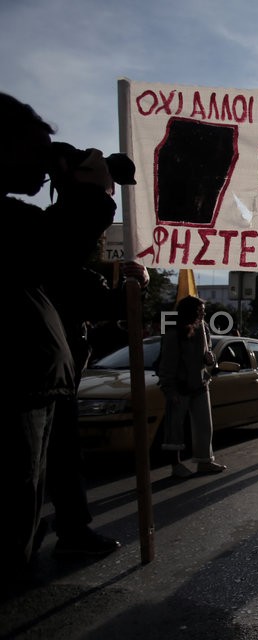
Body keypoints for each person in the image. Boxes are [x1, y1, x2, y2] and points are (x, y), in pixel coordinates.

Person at [1, 92, 117, 584]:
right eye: (37, 149)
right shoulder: (12, 224)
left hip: (39, 386)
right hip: (19, 388)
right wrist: (91, 195)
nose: (46, 165)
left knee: (29, 496)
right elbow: (46, 251)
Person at [42, 262, 148, 557]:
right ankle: (68, 530)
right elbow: (114, 306)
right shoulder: (57, 274)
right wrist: (139, 282)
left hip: (53, 384)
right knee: (61, 460)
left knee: (51, 462)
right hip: (48, 387)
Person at [159, 295, 226, 477]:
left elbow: (207, 351)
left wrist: (209, 357)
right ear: (191, 312)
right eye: (200, 310)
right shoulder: (174, 332)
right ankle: (176, 465)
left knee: (204, 426)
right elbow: (167, 364)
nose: (204, 313)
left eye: (204, 310)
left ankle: (205, 461)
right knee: (175, 428)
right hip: (179, 386)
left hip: (201, 384)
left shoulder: (204, 327)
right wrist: (169, 389)